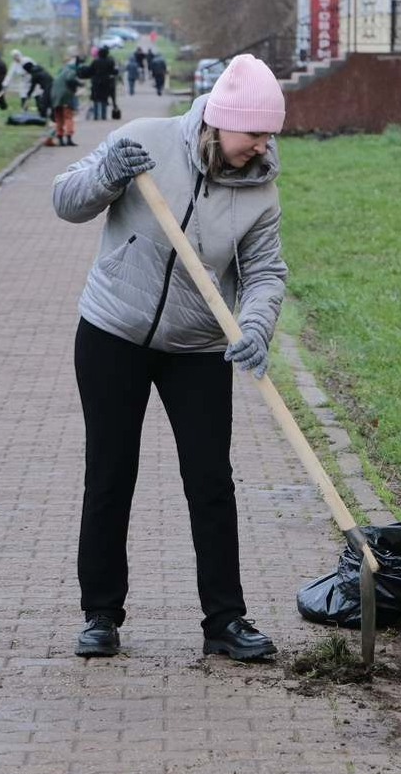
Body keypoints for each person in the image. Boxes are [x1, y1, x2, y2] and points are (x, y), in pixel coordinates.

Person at [51, 55, 288, 660]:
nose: (262, 146)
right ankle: (101, 614)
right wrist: (107, 172)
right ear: (219, 120)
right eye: (254, 133)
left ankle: (224, 621)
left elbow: (263, 273)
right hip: (113, 333)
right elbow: (67, 201)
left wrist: (256, 326)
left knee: (211, 480)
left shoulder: (260, 189)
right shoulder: (144, 140)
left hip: (199, 346)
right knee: (110, 473)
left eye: (269, 136)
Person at [51, 54, 82, 146]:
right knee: (68, 117)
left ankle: (60, 138)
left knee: (59, 118)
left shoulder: (60, 71)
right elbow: (70, 79)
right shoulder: (71, 71)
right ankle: (69, 137)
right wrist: (78, 85)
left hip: (55, 97)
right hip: (65, 97)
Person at [86, 45, 117, 121]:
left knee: (96, 99)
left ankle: (96, 116)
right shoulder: (110, 61)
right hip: (106, 82)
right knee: (104, 99)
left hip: (96, 82)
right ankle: (103, 116)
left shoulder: (95, 61)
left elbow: (90, 71)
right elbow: (113, 71)